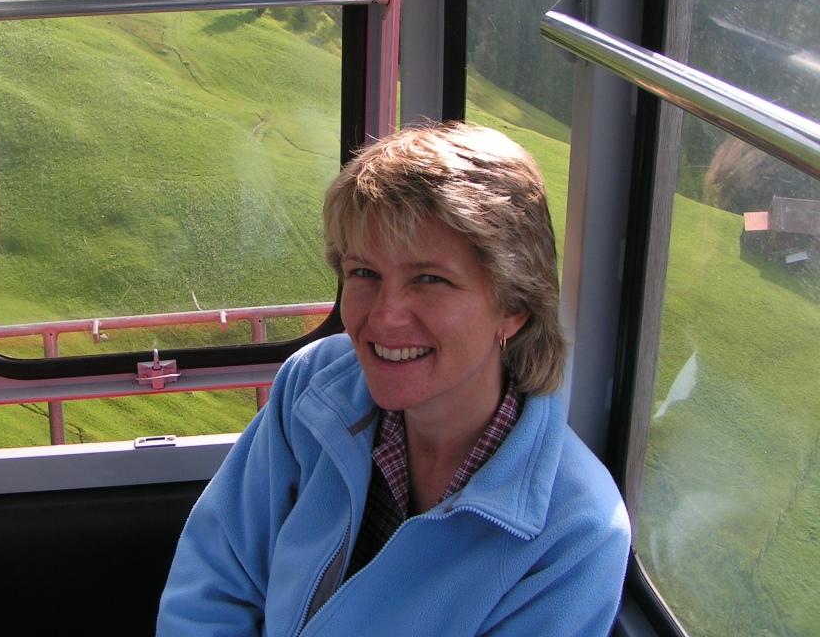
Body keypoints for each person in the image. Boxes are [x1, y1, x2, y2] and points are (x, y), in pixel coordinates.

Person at [157, 122, 631, 636]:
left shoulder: (575, 533)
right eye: (365, 273)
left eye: (429, 279)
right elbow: (214, 583)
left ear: (513, 306)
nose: (383, 317)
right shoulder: (315, 385)